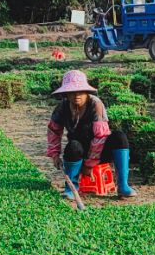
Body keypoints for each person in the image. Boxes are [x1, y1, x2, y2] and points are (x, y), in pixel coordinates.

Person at [45, 69, 134, 199]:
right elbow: (54, 131)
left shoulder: (95, 104)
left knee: (119, 137)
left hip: (99, 149)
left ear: (86, 92)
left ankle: (123, 185)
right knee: (73, 146)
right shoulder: (62, 107)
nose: (76, 95)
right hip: (78, 151)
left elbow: (100, 137)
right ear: (66, 94)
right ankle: (71, 187)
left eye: (80, 91)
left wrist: (89, 165)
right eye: (72, 92)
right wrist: (54, 154)